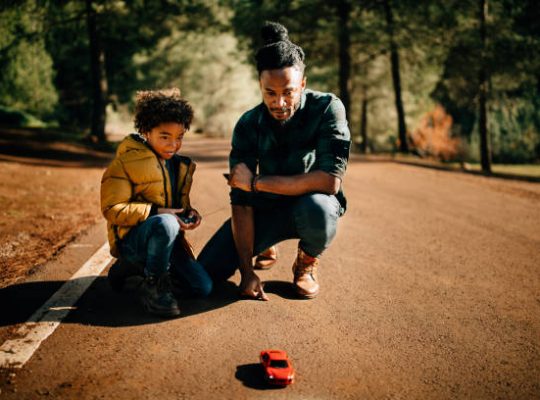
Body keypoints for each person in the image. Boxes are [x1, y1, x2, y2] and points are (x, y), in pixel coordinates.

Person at [198, 22, 350, 300]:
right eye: (270, 93)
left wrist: (255, 183)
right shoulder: (248, 124)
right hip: (264, 209)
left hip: (309, 205)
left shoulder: (328, 108)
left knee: (318, 209)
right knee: (203, 276)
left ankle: (306, 262)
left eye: (289, 92)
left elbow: (329, 182)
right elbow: (241, 203)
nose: (280, 102)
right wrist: (245, 272)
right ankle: (265, 245)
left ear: (302, 83)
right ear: (260, 85)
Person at [101, 88, 212, 318]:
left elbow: (175, 206)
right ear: (145, 131)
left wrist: (188, 214)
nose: (173, 144)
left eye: (179, 137)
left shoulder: (179, 165)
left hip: (167, 239)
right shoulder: (126, 162)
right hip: (133, 241)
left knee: (202, 287)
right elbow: (112, 209)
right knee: (166, 223)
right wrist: (159, 213)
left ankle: (140, 269)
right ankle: (151, 284)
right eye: (165, 136)